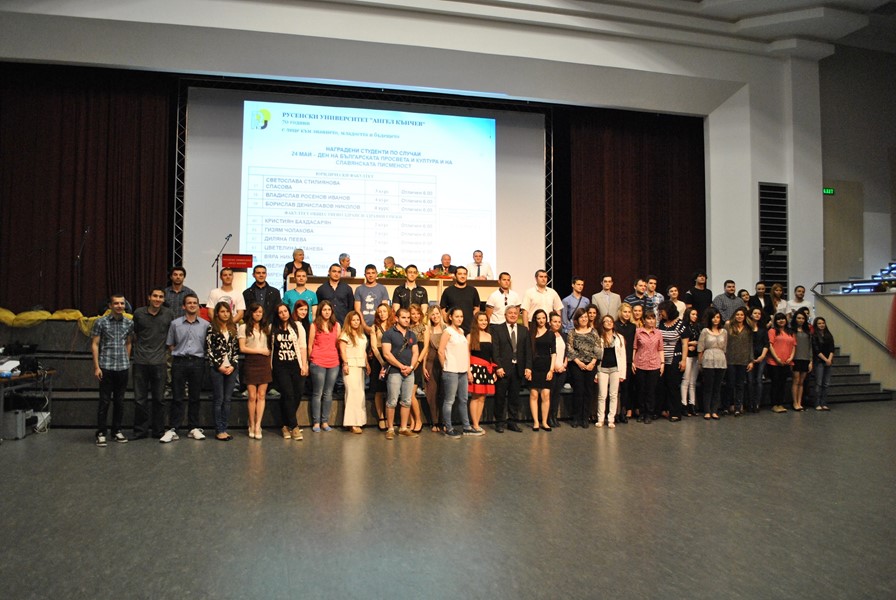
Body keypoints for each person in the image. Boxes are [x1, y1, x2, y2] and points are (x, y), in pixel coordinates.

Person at [163, 294, 209, 443]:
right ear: (184, 306)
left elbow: (207, 345)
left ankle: (193, 428)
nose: (192, 305)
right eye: (189, 303)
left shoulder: (205, 325)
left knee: (195, 397)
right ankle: (174, 428)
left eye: (195, 303)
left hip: (197, 362)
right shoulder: (175, 324)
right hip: (179, 362)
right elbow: (170, 344)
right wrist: (180, 352)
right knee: (177, 397)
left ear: (198, 306)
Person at [91, 293, 134, 446]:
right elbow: (95, 344)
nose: (119, 306)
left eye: (122, 303)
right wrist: (97, 367)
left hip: (122, 367)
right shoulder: (100, 322)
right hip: (106, 366)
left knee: (119, 401)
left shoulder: (129, 323)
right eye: (116, 303)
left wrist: (126, 360)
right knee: (104, 401)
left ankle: (116, 431)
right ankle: (101, 432)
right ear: (110, 305)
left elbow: (128, 343)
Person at [131, 287, 173, 440]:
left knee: (159, 399)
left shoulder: (168, 314)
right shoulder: (138, 313)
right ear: (149, 297)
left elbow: (171, 335)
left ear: (164, 299)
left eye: (161, 297)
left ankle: (158, 431)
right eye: (155, 296)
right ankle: (140, 431)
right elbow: (134, 334)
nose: (157, 299)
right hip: (140, 361)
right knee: (140, 399)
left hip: (160, 362)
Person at [491, 304, 532, 432]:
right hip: (503, 369)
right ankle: (499, 422)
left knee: (514, 397)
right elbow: (495, 350)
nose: (513, 315)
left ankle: (512, 422)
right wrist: (498, 367)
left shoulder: (524, 330)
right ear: (505, 315)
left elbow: (528, 350)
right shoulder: (497, 329)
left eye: (515, 313)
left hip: (518, 369)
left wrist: (528, 367)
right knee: (500, 397)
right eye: (510, 313)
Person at [381, 307, 420, 439]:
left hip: (409, 372)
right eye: (403, 317)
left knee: (406, 401)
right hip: (394, 371)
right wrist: (401, 366)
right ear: (396, 318)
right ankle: (390, 429)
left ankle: (403, 428)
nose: (407, 320)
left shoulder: (412, 335)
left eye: (408, 317)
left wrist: (411, 367)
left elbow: (416, 352)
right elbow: (386, 354)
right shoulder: (388, 334)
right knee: (392, 401)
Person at [271, 303, 306, 441]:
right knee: (288, 394)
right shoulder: (273, 328)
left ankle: (285, 425)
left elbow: (303, 347)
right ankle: (294, 426)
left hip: (296, 365)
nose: (283, 314)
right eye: (280, 312)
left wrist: (304, 365)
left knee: (297, 394)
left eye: (285, 311)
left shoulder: (297, 326)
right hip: (280, 366)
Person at [206, 301, 239, 441]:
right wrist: (218, 365)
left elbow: (236, 349)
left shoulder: (233, 327)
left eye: (227, 311)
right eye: (222, 311)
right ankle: (219, 430)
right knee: (218, 399)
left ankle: (224, 428)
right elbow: (209, 349)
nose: (225, 314)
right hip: (217, 368)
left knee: (227, 400)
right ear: (217, 313)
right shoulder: (211, 328)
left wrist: (233, 365)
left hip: (231, 368)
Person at [438, 307, 474, 437]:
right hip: (451, 371)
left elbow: (465, 353)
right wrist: (445, 367)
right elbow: (440, 351)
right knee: (449, 400)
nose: (459, 319)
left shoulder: (461, 331)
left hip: (462, 370)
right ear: (450, 317)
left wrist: (468, 370)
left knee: (463, 399)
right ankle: (448, 427)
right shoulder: (447, 332)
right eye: (457, 316)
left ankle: (466, 426)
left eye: (461, 316)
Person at [238, 302, 271, 439]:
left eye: (260, 312)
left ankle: (258, 425)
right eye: (256, 312)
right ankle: (251, 424)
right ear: (251, 313)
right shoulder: (244, 327)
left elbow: (270, 346)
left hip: (264, 363)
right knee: (252, 396)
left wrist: (265, 353)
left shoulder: (266, 327)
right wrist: (260, 351)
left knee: (261, 395)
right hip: (251, 362)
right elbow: (242, 348)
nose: (258, 314)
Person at [308, 300, 341, 432]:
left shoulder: (336, 325)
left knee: (328, 393)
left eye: (329, 310)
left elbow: (338, 344)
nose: (327, 312)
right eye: (324, 310)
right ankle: (316, 422)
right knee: (318, 393)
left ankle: (325, 421)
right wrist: (310, 360)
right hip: (318, 361)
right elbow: (310, 344)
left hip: (333, 362)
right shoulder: (314, 325)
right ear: (320, 311)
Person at [567, 307, 600, 428]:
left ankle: (585, 418)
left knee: (588, 391)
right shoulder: (572, 332)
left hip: (591, 365)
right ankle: (576, 418)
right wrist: (579, 362)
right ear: (577, 319)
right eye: (582, 317)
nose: (584, 319)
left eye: (586, 317)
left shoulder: (594, 332)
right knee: (578, 391)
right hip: (576, 365)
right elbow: (570, 349)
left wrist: (592, 362)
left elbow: (598, 348)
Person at [657, 300, 689, 422]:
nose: (661, 314)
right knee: (661, 386)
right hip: (661, 360)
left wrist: (683, 360)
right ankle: (663, 410)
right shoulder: (661, 323)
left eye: (662, 311)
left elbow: (685, 344)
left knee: (673, 386)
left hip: (674, 359)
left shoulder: (681, 324)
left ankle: (675, 412)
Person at [339, 310, 370, 434]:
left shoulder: (362, 335)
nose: (356, 322)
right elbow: (342, 351)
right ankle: (352, 423)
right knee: (352, 393)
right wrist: (345, 363)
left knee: (360, 394)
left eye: (358, 320)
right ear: (349, 321)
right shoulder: (345, 335)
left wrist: (367, 364)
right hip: (350, 366)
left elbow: (363, 351)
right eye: (353, 320)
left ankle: (359, 421)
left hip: (360, 366)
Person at [595, 315, 626, 429]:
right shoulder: (599, 337)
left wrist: (622, 373)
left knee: (613, 395)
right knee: (602, 395)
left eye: (610, 321)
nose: (608, 323)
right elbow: (596, 356)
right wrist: (596, 373)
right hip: (602, 369)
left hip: (615, 369)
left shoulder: (619, 338)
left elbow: (622, 356)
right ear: (602, 324)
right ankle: (600, 419)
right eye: (606, 321)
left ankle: (611, 419)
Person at [632, 311, 663, 424]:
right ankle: (641, 412)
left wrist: (662, 363)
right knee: (641, 390)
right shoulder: (638, 332)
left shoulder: (658, 333)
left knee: (651, 391)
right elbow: (635, 347)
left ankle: (649, 413)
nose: (651, 321)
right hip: (640, 363)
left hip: (654, 364)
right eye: (649, 319)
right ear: (644, 320)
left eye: (653, 318)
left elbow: (660, 349)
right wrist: (632, 362)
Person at [697, 307, 727, 420]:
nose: (716, 319)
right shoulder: (705, 331)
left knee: (717, 387)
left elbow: (725, 348)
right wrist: (700, 363)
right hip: (708, 359)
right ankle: (707, 411)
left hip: (721, 360)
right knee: (708, 387)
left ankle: (714, 410)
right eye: (714, 317)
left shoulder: (724, 332)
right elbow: (700, 348)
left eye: (718, 317)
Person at [528, 309, 555, 431]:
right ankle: (535, 422)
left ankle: (544, 421)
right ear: (535, 319)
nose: (541, 320)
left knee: (546, 394)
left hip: (546, 366)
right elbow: (528, 352)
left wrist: (551, 370)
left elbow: (553, 353)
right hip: (534, 366)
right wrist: (528, 369)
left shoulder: (550, 334)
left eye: (543, 318)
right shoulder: (531, 333)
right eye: (539, 318)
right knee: (534, 394)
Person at [467, 312, 494, 435]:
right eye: (481, 320)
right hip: (475, 369)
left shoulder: (489, 336)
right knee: (475, 396)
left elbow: (491, 356)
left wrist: (493, 371)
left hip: (486, 369)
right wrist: (468, 371)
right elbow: (467, 354)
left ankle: (477, 423)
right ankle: (475, 424)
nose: (484, 322)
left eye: (485, 320)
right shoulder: (470, 336)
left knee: (483, 397)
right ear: (476, 322)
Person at [369, 303, 395, 431]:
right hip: (379, 359)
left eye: (384, 311)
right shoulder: (374, 327)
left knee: (391, 389)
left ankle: (390, 418)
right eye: (379, 312)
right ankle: (381, 417)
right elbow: (374, 347)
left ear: (388, 312)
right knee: (379, 390)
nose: (382, 314)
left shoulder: (394, 326)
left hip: (392, 358)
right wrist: (382, 362)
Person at [724, 306, 751, 416]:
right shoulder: (728, 326)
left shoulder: (748, 328)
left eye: (741, 315)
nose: (739, 317)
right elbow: (724, 342)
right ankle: (727, 406)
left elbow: (750, 345)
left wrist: (751, 361)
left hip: (743, 360)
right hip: (730, 359)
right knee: (729, 384)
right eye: (737, 314)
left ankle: (738, 407)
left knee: (740, 385)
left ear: (745, 317)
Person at [766, 313, 795, 413]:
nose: (781, 321)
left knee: (783, 384)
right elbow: (770, 345)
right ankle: (774, 404)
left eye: (783, 319)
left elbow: (794, 345)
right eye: (778, 319)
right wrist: (777, 358)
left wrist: (791, 357)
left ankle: (780, 403)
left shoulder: (790, 332)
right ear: (775, 321)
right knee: (775, 383)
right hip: (774, 362)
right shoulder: (772, 331)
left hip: (787, 362)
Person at [440, 266, 480, 335]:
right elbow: (443, 309)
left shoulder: (473, 290)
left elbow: (476, 308)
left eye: (465, 274)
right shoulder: (448, 291)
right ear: (455, 276)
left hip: (469, 329)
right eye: (460, 274)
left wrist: (473, 322)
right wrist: (448, 322)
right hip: (453, 330)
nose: (462, 276)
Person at [423, 305, 445, 431]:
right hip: (431, 363)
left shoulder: (446, 328)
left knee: (444, 393)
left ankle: (443, 422)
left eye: (437, 313)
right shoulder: (428, 329)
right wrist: (423, 367)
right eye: (433, 314)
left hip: (444, 364)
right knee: (432, 393)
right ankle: (434, 422)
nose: (435, 316)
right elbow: (425, 350)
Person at [407, 303, 428, 433]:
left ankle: (418, 420)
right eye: (412, 313)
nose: (415, 316)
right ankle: (412, 421)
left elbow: (425, 347)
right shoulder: (406, 328)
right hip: (407, 362)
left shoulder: (424, 327)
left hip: (417, 362)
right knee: (406, 394)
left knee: (411, 394)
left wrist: (419, 362)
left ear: (420, 314)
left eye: (417, 313)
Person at [615, 303, 636, 423]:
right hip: (616, 360)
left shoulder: (633, 327)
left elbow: (634, 345)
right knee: (614, 388)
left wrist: (633, 360)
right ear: (620, 312)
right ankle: (615, 412)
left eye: (629, 312)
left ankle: (623, 411)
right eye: (625, 312)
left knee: (626, 388)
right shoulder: (615, 325)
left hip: (627, 360)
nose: (627, 314)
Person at [354, 264, 390, 331]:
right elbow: (357, 309)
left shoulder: (382, 288)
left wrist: (380, 326)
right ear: (365, 275)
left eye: (373, 273)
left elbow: (385, 308)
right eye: (368, 273)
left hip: (379, 326)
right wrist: (365, 326)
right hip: (362, 325)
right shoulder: (359, 289)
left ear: (376, 274)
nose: (370, 275)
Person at [747, 306, 769, 413]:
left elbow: (766, 343)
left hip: (761, 357)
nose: (757, 315)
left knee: (759, 380)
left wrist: (762, 356)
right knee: (750, 380)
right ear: (751, 314)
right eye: (755, 313)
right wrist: (751, 358)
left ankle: (757, 403)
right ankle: (750, 403)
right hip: (749, 357)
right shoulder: (747, 328)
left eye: (759, 314)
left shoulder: (763, 329)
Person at [680, 307, 702, 416]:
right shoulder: (683, 326)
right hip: (687, 355)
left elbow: (701, 340)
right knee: (686, 380)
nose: (695, 316)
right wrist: (690, 344)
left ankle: (692, 404)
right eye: (693, 314)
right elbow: (680, 340)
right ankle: (683, 404)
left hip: (696, 355)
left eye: (696, 314)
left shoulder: (698, 326)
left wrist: (696, 344)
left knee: (693, 381)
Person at [790, 310, 813, 411]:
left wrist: (811, 361)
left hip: (805, 358)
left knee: (801, 382)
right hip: (795, 358)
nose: (801, 320)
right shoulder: (791, 331)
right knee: (796, 381)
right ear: (795, 319)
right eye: (799, 318)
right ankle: (794, 402)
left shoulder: (808, 332)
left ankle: (799, 402)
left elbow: (810, 347)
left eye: (803, 318)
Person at [548, 312, 568, 428]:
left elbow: (567, 351)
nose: (557, 324)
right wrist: (554, 366)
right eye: (554, 321)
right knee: (550, 394)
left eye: (559, 322)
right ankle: (548, 417)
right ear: (550, 322)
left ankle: (554, 416)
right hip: (552, 369)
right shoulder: (547, 335)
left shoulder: (563, 336)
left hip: (562, 369)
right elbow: (548, 353)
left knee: (556, 394)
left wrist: (564, 365)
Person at [812, 317, 834, 411]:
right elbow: (816, 350)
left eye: (823, 323)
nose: (821, 325)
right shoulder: (814, 336)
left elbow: (832, 348)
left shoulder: (829, 335)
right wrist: (825, 359)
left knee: (826, 384)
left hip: (828, 361)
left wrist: (829, 359)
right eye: (819, 323)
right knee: (819, 383)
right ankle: (817, 403)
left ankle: (824, 403)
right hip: (819, 361)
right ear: (816, 325)